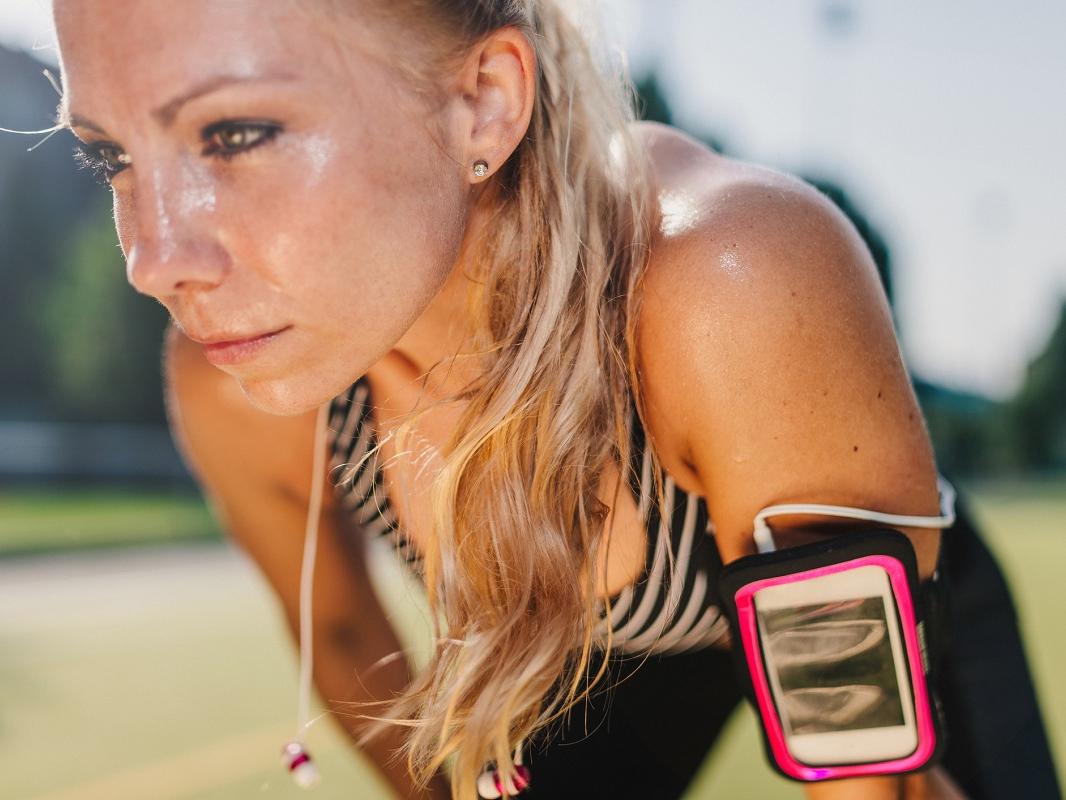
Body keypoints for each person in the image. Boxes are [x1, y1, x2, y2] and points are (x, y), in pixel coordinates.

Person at [49, 1, 1059, 798]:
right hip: (585, 658)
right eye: (111, 156)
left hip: (864, 628)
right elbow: (348, 636)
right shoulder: (240, 379)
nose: (152, 257)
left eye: (233, 133)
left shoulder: (729, 285)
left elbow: (872, 781)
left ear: (481, 101)